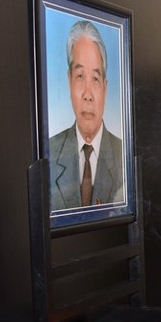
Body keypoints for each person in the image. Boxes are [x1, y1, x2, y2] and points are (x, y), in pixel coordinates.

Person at [48, 20, 124, 210]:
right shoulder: (48, 153)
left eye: (95, 79)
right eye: (80, 76)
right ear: (69, 81)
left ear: (105, 89)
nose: (88, 95)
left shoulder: (125, 157)